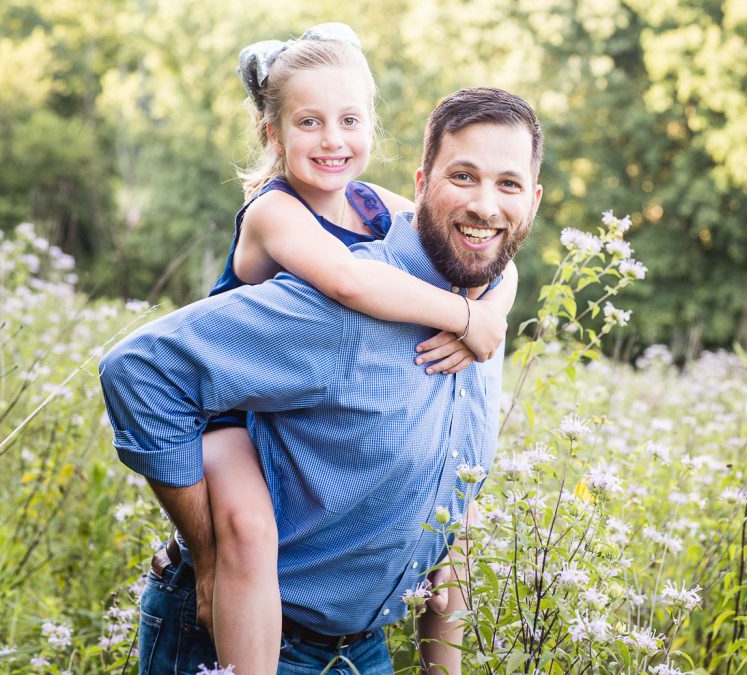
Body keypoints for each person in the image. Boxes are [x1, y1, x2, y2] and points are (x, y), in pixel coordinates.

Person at [100, 85, 544, 674]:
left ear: (533, 200)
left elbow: (449, 508)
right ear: (420, 186)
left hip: (362, 651)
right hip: (247, 635)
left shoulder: (485, 316)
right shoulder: (341, 305)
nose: (487, 205)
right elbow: (139, 370)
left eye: (508, 184)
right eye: (463, 176)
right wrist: (207, 553)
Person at [197, 24, 518, 674]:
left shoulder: (373, 204)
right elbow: (348, 280)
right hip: (225, 407)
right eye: (308, 122)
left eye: (349, 119)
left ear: (373, 125)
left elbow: (490, 252)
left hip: (295, 411)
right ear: (273, 133)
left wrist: (490, 314)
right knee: (250, 536)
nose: (332, 139)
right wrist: (461, 312)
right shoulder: (273, 210)